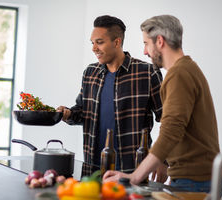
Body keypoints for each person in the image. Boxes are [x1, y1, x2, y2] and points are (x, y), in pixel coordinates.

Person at [103, 15, 220, 193]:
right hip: (196, 178)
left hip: (193, 181)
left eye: (145, 43)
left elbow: (171, 130)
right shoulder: (187, 69)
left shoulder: (179, 74)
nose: (144, 52)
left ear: (159, 41)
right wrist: (161, 160)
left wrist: (135, 176)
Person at [57, 15, 167, 180]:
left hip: (132, 172)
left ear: (117, 42)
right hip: (93, 170)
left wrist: (162, 160)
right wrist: (67, 114)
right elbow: (82, 112)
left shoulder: (147, 72)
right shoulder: (90, 73)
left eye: (99, 42)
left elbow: (168, 118)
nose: (94, 48)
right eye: (92, 43)